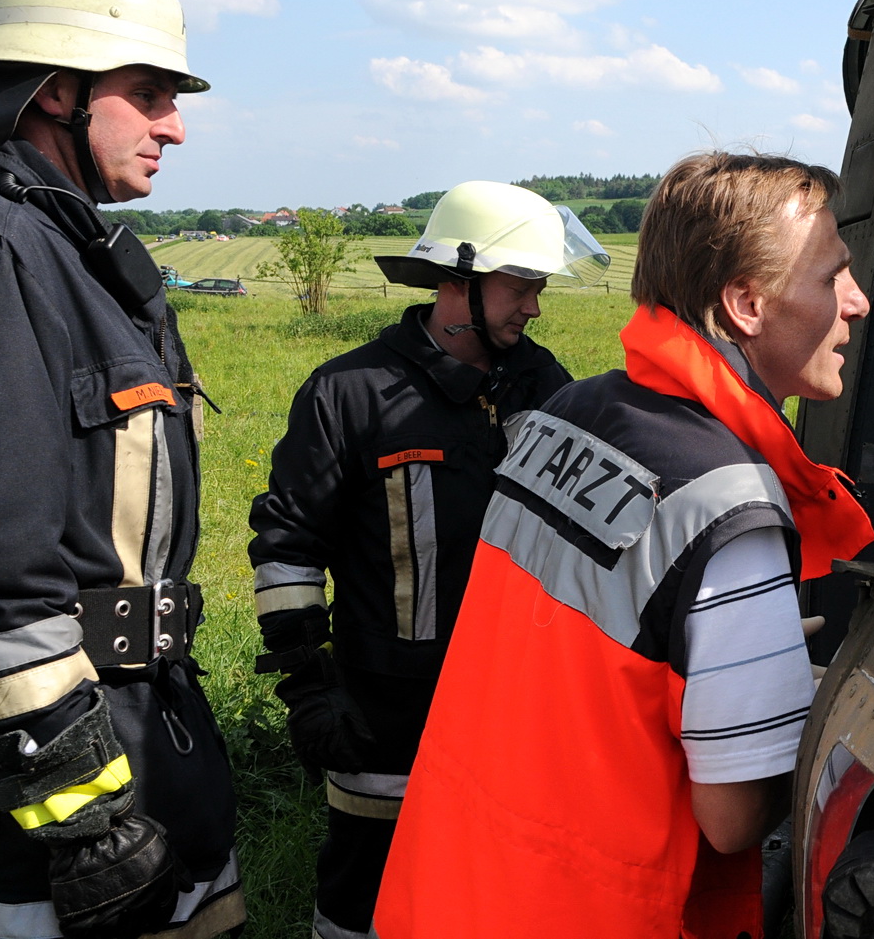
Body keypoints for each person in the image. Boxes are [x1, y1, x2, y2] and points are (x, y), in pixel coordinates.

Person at [372, 152, 874, 939]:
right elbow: (734, 815)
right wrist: (812, 709)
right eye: (831, 277)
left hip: (454, 884)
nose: (857, 301)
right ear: (746, 303)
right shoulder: (724, 502)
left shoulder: (570, 410)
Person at [0, 0, 242, 938]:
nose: (175, 123)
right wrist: (85, 818)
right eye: (150, 93)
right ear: (55, 93)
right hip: (32, 791)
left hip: (143, 732)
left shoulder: (76, 253)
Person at [246, 181, 608, 939]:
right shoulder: (349, 393)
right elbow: (287, 548)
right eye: (521, 287)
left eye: (538, 288)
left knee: (497, 884)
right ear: (458, 283)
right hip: (383, 710)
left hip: (515, 701)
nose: (534, 308)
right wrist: (310, 686)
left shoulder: (546, 389)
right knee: (365, 890)